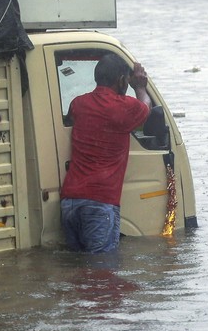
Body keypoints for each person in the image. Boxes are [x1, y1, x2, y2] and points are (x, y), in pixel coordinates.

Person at [59, 55, 152, 254]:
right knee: (102, 273)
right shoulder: (124, 108)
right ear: (121, 81)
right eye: (126, 81)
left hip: (70, 203)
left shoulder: (78, 104)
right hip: (100, 203)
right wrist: (140, 87)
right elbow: (146, 107)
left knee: (78, 270)